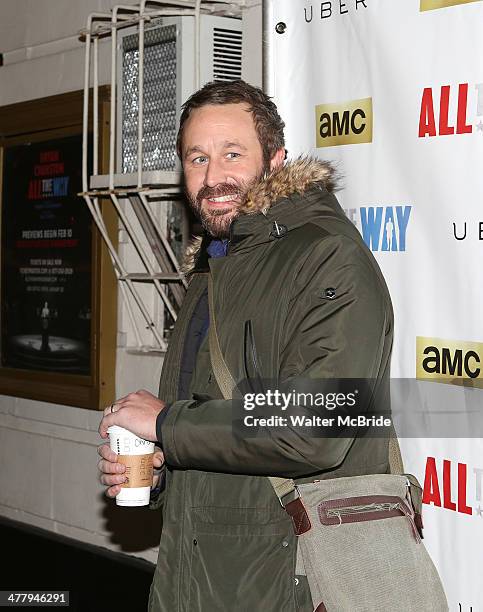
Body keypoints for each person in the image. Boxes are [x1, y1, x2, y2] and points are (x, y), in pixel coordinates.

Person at [97, 80, 394, 611]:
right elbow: (217, 423)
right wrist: (163, 464)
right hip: (196, 577)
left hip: (286, 581)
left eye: (233, 154)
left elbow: (314, 429)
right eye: (197, 159)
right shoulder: (216, 267)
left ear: (276, 161)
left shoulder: (326, 258)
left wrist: (167, 424)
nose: (213, 178)